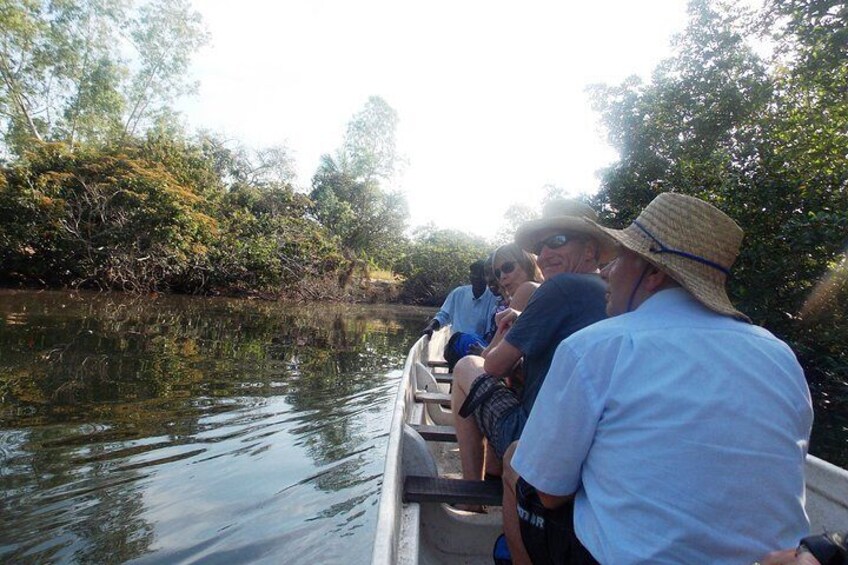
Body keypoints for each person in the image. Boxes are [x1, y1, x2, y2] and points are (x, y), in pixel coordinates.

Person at [504, 193, 813, 564]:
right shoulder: (781, 355)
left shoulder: (598, 345)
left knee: (515, 461)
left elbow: (550, 494)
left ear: (654, 273)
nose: (606, 272)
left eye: (619, 259)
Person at [450, 200, 611, 483]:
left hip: (537, 439)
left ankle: (471, 493)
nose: (544, 255)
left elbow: (494, 365)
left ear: (590, 249)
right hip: (588, 441)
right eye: (539, 248)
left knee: (466, 365)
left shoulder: (560, 287)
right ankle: (496, 478)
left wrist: (505, 333)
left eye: (557, 241)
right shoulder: (610, 292)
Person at [421, 259, 498, 339]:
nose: (478, 278)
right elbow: (443, 315)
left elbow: (491, 330)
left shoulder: (493, 297)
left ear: (488, 277)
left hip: (478, 345)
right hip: (456, 343)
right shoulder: (458, 293)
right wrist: (431, 326)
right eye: (474, 274)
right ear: (470, 276)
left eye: (482, 275)